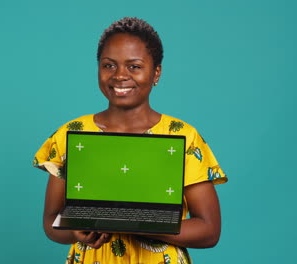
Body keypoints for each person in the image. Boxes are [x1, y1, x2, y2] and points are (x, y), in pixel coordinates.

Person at [33, 17, 228, 264]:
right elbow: (51, 221)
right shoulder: (70, 134)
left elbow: (209, 231)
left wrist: (137, 223)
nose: (120, 76)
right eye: (109, 65)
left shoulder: (183, 137)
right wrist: (73, 231)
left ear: (156, 72)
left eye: (134, 66)